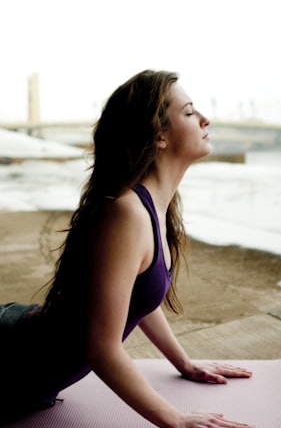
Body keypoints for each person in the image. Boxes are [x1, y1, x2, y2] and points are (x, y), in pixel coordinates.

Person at [0, 69, 254, 427]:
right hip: (9, 364)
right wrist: (175, 421)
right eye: (188, 112)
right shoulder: (127, 213)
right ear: (159, 135)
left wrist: (184, 362)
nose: (204, 118)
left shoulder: (152, 207)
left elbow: (134, 294)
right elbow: (100, 348)